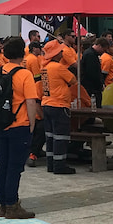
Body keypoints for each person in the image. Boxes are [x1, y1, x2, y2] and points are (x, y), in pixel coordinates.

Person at [0, 37, 39, 219]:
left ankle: (2, 204)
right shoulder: (24, 74)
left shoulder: (0, 71)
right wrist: (32, 124)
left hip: (2, 124)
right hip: (19, 124)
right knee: (15, 166)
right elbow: (30, 102)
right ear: (23, 53)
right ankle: (12, 203)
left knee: (3, 165)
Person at [40, 40, 77, 175]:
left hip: (47, 104)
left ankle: (51, 164)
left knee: (50, 136)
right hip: (59, 105)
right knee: (61, 137)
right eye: (60, 51)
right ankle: (60, 165)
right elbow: (73, 80)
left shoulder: (44, 67)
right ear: (55, 53)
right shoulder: (58, 67)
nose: (62, 53)